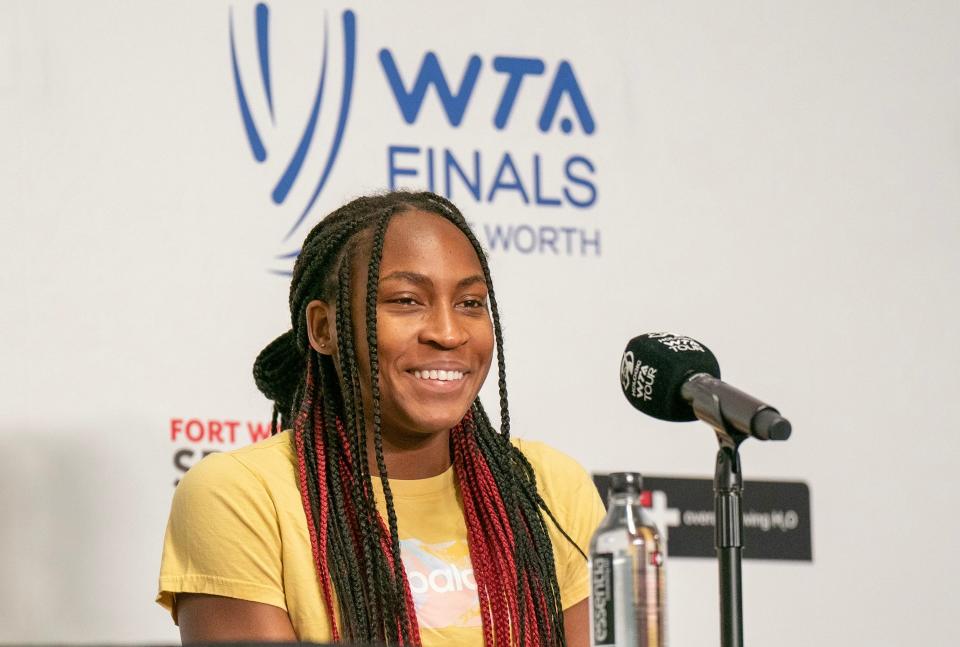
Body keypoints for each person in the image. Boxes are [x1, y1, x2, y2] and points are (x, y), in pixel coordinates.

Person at [157, 191, 606, 646]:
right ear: (323, 328)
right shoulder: (241, 495)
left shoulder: (548, 487)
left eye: (470, 303)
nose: (448, 333)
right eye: (407, 300)